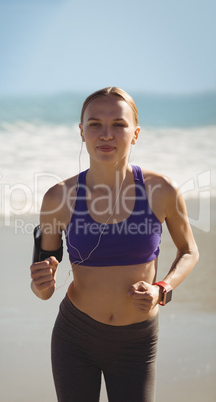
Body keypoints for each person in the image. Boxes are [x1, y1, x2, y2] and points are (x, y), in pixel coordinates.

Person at [30, 87, 199, 402]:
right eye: (94, 124)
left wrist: (162, 288)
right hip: (75, 336)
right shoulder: (58, 197)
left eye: (118, 124)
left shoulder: (161, 190)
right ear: (82, 132)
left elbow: (189, 251)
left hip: (137, 341)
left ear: (135, 133)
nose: (105, 134)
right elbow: (43, 286)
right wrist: (41, 283)